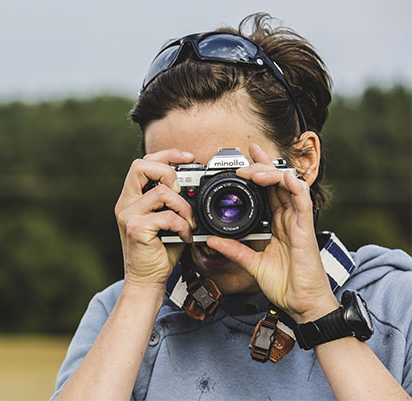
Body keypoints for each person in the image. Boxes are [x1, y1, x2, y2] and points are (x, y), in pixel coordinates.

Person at [51, 13, 412, 401]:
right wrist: (142, 291)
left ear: (303, 160)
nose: (213, 208)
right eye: (185, 181)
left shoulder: (395, 304)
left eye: (230, 183)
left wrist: (318, 310)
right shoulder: (121, 315)